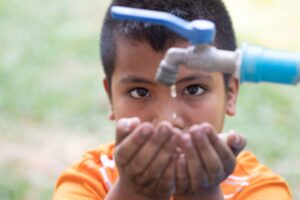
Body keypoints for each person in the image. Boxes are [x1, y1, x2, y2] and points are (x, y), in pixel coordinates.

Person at [53, 0, 291, 199]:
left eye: (194, 89)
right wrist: (132, 192)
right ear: (111, 98)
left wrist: (204, 194)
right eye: (140, 92)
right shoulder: (88, 181)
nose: (168, 121)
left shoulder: (260, 189)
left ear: (230, 94)